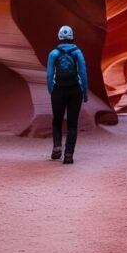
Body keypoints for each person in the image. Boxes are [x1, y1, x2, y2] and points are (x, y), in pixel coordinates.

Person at [46, 25, 88, 164]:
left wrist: (51, 90)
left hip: (58, 90)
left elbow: (49, 74)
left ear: (59, 36)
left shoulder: (54, 53)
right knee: (72, 123)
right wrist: (85, 92)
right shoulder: (77, 53)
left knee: (57, 121)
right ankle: (68, 154)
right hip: (75, 90)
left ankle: (57, 146)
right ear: (72, 37)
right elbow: (83, 73)